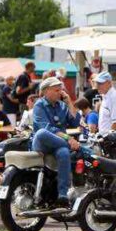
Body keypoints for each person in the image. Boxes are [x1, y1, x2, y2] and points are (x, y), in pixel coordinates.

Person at [31, 77, 81, 208]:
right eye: (56, 90)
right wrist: (69, 140)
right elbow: (47, 128)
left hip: (59, 143)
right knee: (42, 133)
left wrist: (69, 101)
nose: (60, 92)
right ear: (46, 91)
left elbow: (75, 122)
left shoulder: (62, 106)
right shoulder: (39, 105)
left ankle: (62, 195)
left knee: (64, 152)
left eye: (61, 90)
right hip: (43, 143)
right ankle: (80, 149)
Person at [95, 71, 116, 149]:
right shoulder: (106, 96)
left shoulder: (114, 96)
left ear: (109, 83)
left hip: (113, 142)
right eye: (97, 83)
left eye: (100, 83)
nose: (97, 86)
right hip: (107, 141)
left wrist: (106, 138)